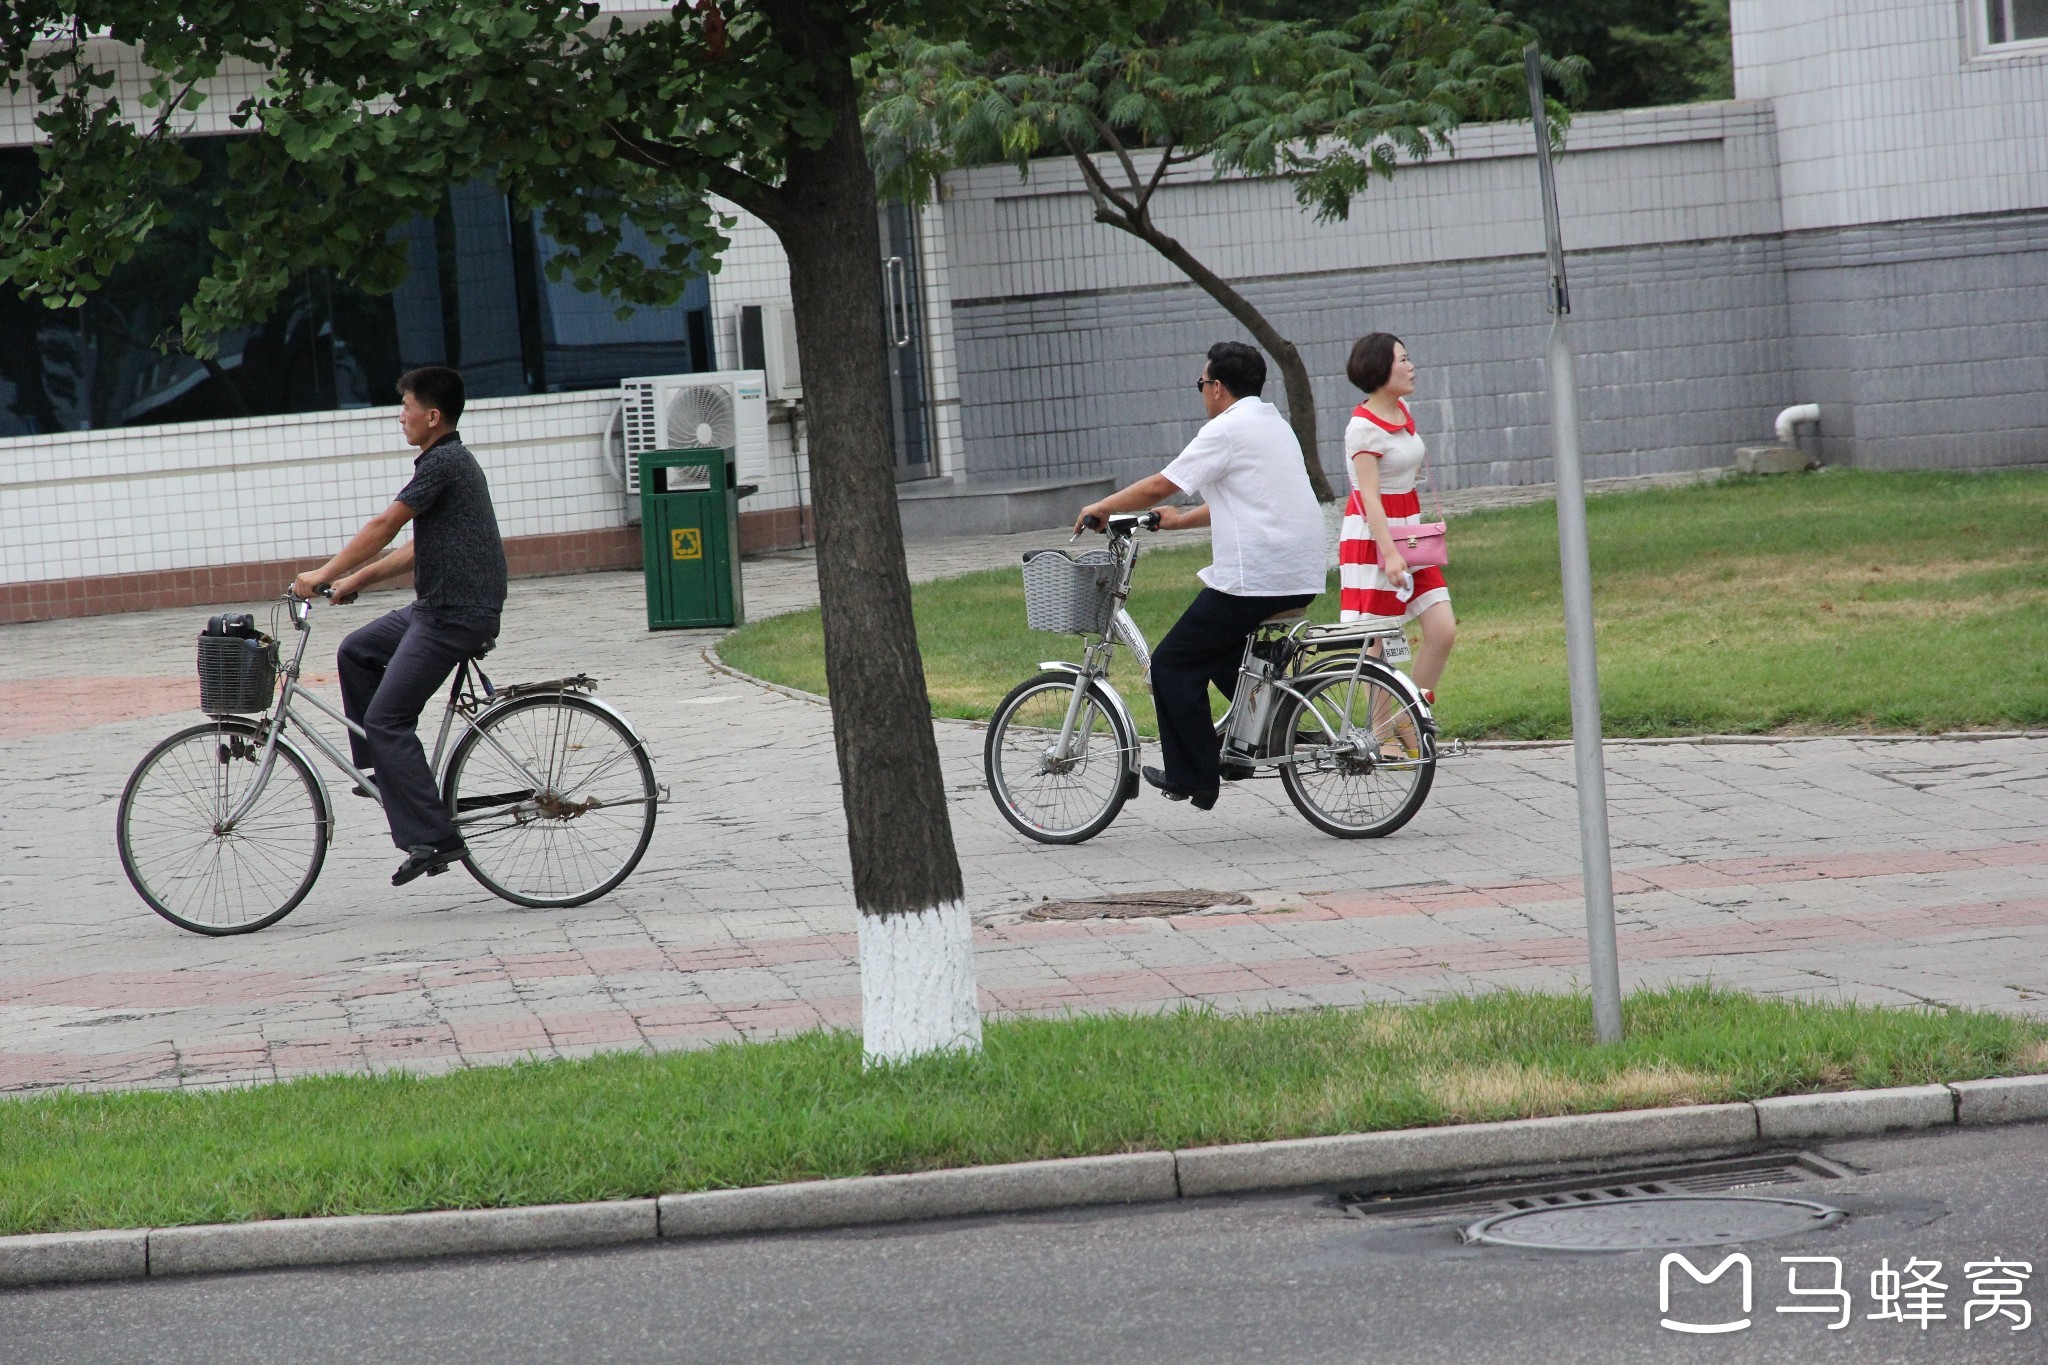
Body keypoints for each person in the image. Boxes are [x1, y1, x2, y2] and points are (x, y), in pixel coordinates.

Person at [1075, 341, 1325, 811]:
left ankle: (1195, 776)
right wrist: (1177, 520)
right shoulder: (1271, 423)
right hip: (1299, 570)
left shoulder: (1226, 429)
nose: (1202, 392)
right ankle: (1260, 736)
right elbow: (1242, 499)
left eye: (1202, 383)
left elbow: (1160, 483)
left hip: (1258, 577)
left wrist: (1102, 507)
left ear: (1218, 387)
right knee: (1217, 656)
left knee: (1172, 664)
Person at [290, 366, 508, 886]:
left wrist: (322, 573)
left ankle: (433, 837)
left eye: (407, 407)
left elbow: (384, 526)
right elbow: (417, 548)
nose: (401, 417)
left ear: (433, 417)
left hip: (455, 614)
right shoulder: (445, 463)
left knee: (388, 719)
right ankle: (379, 772)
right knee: (357, 651)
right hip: (439, 606)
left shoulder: (445, 462)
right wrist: (354, 580)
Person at [1337, 333, 1457, 706]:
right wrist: (1389, 554)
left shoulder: (1402, 410)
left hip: (1411, 533)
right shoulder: (1362, 428)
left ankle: (1409, 714)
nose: (1411, 366)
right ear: (1379, 369)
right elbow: (1369, 496)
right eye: (1402, 359)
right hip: (1376, 539)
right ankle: (1382, 733)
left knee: (1442, 630)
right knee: (1379, 643)